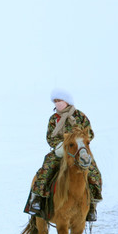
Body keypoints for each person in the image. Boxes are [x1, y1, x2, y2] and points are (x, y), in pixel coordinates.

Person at [26, 88, 102, 221]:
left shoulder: (80, 116)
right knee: (46, 169)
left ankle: (92, 206)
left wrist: (80, 141)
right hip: (60, 150)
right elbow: (50, 136)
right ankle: (37, 199)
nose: (57, 104)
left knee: (94, 172)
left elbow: (89, 133)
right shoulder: (53, 119)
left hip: (79, 151)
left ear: (67, 101)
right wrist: (60, 145)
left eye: (59, 100)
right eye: (55, 101)